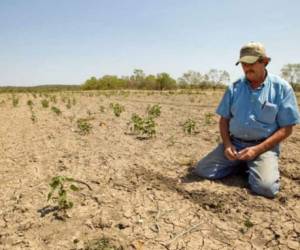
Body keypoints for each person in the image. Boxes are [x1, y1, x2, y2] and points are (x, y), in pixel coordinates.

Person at [195, 42, 300, 198]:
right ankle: (241, 163)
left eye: (251, 62)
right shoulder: (234, 88)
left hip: (263, 147)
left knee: (266, 188)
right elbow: (224, 120)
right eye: (243, 63)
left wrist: (256, 150)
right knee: (202, 170)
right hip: (235, 144)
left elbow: (287, 128)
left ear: (265, 61)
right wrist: (227, 145)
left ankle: (253, 165)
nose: (247, 67)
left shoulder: (281, 88)